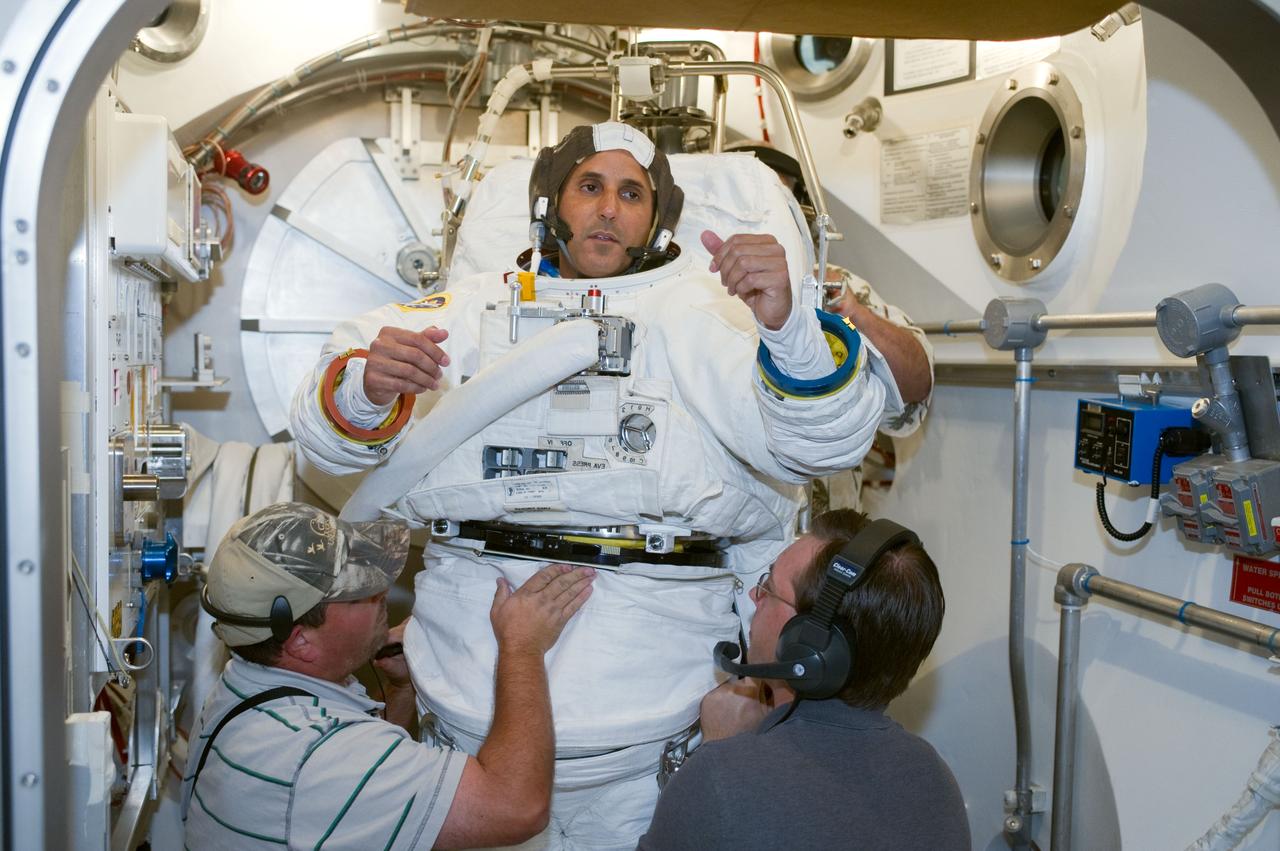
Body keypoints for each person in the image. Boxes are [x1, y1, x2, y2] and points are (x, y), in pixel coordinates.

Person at [290, 121, 899, 846]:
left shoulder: (706, 314)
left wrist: (791, 327)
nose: (609, 208)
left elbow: (822, 442)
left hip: (648, 725)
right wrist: (365, 388)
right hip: (468, 706)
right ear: (551, 203)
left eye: (631, 194)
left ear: (657, 219)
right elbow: (323, 435)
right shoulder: (469, 312)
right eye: (590, 186)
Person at [181, 502, 595, 849]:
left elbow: (355, 802)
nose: (381, 592)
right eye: (359, 592)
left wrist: (401, 690)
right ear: (301, 641)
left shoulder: (243, 685)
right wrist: (522, 645)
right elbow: (516, 809)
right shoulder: (312, 756)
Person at [638, 509, 969, 850]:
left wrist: (719, 748)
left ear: (809, 646)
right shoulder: (937, 782)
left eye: (768, 587)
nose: (753, 596)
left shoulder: (721, 779)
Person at [728, 142, 936, 512]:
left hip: (821, 531)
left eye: (778, 203)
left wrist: (851, 316)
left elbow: (916, 387)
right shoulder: (685, 293)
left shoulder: (831, 288)